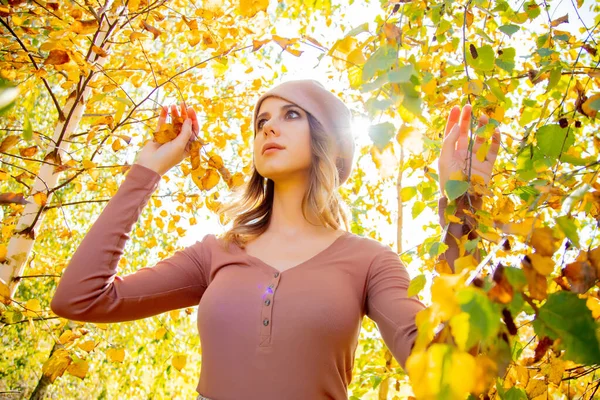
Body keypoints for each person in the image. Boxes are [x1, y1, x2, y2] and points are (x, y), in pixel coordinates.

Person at [50, 79, 500, 400]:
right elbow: (80, 299)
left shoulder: (369, 261)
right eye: (261, 119)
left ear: (325, 139)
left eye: (290, 115)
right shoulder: (215, 253)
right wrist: (145, 172)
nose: (268, 127)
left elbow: (443, 366)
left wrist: (465, 208)